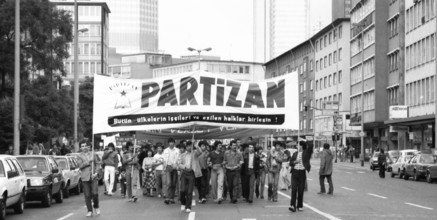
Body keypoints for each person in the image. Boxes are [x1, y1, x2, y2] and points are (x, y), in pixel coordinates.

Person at [289, 141, 313, 212]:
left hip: (302, 173)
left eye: (298, 145)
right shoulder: (295, 154)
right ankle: (292, 205)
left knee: (300, 190)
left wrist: (304, 141)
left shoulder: (306, 153)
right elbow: (290, 162)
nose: (297, 146)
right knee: (293, 190)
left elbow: (311, 145)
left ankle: (300, 205)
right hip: (294, 173)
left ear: (302, 146)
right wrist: (294, 162)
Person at [77, 144, 101, 217]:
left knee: (95, 193)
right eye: (82, 146)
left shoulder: (93, 153)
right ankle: (89, 210)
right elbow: (80, 166)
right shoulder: (79, 156)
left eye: (85, 146)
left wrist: (96, 172)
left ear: (88, 147)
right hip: (85, 177)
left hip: (93, 176)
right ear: (80, 148)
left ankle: (96, 206)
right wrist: (88, 161)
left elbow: (97, 163)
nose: (84, 147)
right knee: (87, 195)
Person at [163, 138, 180, 205]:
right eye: (170, 142)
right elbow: (164, 160)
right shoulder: (165, 150)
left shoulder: (177, 150)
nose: (171, 143)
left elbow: (179, 159)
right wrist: (164, 168)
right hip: (168, 167)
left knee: (173, 183)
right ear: (168, 143)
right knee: (169, 183)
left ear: (174, 143)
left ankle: (172, 198)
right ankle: (167, 197)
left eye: (172, 142)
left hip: (175, 167)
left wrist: (176, 165)